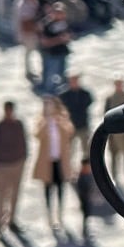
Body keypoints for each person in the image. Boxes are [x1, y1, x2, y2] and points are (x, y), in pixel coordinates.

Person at [32, 93, 77, 235]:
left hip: (60, 161)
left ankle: (60, 214)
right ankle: (50, 215)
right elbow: (37, 135)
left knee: (61, 189)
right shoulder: (42, 121)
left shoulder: (62, 118)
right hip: (47, 162)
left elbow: (70, 132)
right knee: (47, 190)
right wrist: (47, 121)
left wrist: (58, 121)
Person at [0, 102, 28, 242]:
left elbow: (24, 141)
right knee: (2, 196)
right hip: (3, 166)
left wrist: (23, 157)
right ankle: (0, 224)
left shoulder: (19, 125)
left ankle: (12, 220)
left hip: (17, 164)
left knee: (15, 195)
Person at [102, 77, 124, 185]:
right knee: (114, 157)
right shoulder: (109, 98)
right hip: (114, 134)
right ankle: (114, 178)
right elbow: (106, 116)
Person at [37, 0, 71, 92]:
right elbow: (45, 42)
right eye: (58, 12)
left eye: (62, 12)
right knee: (49, 74)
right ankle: (48, 91)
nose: (61, 15)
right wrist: (59, 40)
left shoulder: (64, 23)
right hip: (50, 54)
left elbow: (68, 37)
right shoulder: (47, 24)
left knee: (62, 73)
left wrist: (66, 39)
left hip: (62, 52)